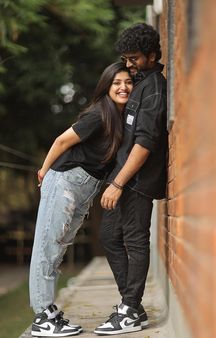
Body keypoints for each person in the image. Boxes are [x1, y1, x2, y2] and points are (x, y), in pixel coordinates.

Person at [29, 62, 133, 337]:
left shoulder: (122, 118)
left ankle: (48, 310)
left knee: (59, 247)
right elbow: (62, 141)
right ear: (107, 87)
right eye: (117, 83)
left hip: (83, 188)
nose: (123, 87)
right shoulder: (100, 114)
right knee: (47, 246)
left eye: (128, 82)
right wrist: (43, 171)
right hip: (65, 180)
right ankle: (42, 317)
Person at [94, 23, 168, 335]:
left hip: (137, 181)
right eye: (125, 58)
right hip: (125, 177)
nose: (129, 64)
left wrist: (118, 183)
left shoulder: (154, 89)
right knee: (110, 236)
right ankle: (132, 306)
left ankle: (128, 309)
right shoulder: (139, 83)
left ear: (152, 55)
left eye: (134, 58)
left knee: (135, 241)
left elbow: (145, 144)